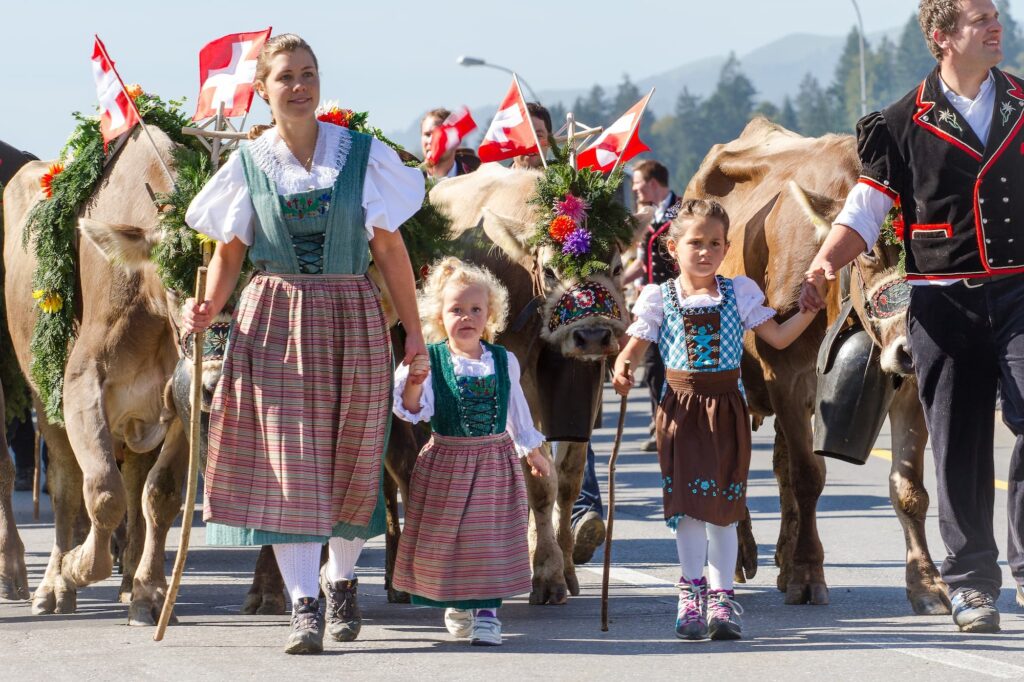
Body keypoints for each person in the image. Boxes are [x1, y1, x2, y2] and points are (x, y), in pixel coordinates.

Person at [181, 33, 427, 655]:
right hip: (274, 322)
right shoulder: (246, 165)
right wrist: (208, 306)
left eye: (308, 73)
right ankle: (303, 605)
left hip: (352, 316)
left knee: (354, 456)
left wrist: (416, 335)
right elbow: (228, 254)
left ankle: (340, 581)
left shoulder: (363, 156)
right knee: (289, 466)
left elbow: (390, 250)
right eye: (286, 76)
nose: (299, 86)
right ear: (263, 91)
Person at [801, 0, 1024, 633]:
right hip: (942, 302)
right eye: (980, 18)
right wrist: (823, 265)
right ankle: (972, 585)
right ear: (942, 36)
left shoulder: (1023, 103)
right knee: (958, 443)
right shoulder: (900, 121)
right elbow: (866, 210)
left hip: (1019, 294)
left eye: (996, 15)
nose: (997, 25)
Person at [613, 199, 821, 640]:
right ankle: (691, 592)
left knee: (725, 511)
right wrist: (622, 369)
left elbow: (778, 338)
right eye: (696, 242)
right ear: (673, 248)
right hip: (679, 411)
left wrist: (809, 310)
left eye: (715, 243)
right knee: (687, 509)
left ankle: (722, 598)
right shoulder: (659, 297)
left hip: (727, 409)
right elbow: (633, 349)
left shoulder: (738, 292)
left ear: (726, 247)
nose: (705, 251)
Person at [392, 256, 550, 646]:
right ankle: (459, 601)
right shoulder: (432, 360)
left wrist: (532, 451)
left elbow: (516, 411)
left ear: (490, 314)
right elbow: (411, 410)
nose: (467, 317)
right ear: (439, 316)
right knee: (450, 541)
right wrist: (415, 382)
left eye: (476, 309)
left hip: (494, 463)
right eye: (456, 310)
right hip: (446, 463)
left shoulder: (503, 360)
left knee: (488, 540)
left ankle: (487, 614)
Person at [621, 160, 679, 453]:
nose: (634, 189)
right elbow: (643, 264)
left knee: (675, 366)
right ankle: (661, 424)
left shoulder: (682, 212)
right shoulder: (646, 216)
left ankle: (676, 425)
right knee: (653, 367)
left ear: (653, 183)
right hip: (654, 307)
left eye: (637, 183)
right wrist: (617, 281)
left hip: (679, 303)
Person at [420, 108, 480, 180]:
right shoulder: (409, 180)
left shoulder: (475, 179)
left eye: (440, 135)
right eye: (427, 134)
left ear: (456, 141)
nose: (431, 141)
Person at [511, 102, 552, 170]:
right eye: (524, 135)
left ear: (550, 140)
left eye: (538, 136)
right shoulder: (495, 176)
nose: (531, 144)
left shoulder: (566, 176)